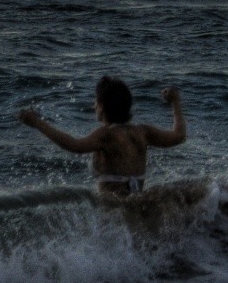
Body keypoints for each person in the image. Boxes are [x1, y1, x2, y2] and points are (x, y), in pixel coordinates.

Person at [18, 77, 185, 200]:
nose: (93, 106)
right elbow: (179, 136)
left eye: (95, 102)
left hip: (114, 214)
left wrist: (37, 123)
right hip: (138, 208)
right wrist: (175, 102)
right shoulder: (143, 132)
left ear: (103, 105)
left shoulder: (106, 135)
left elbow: (73, 145)